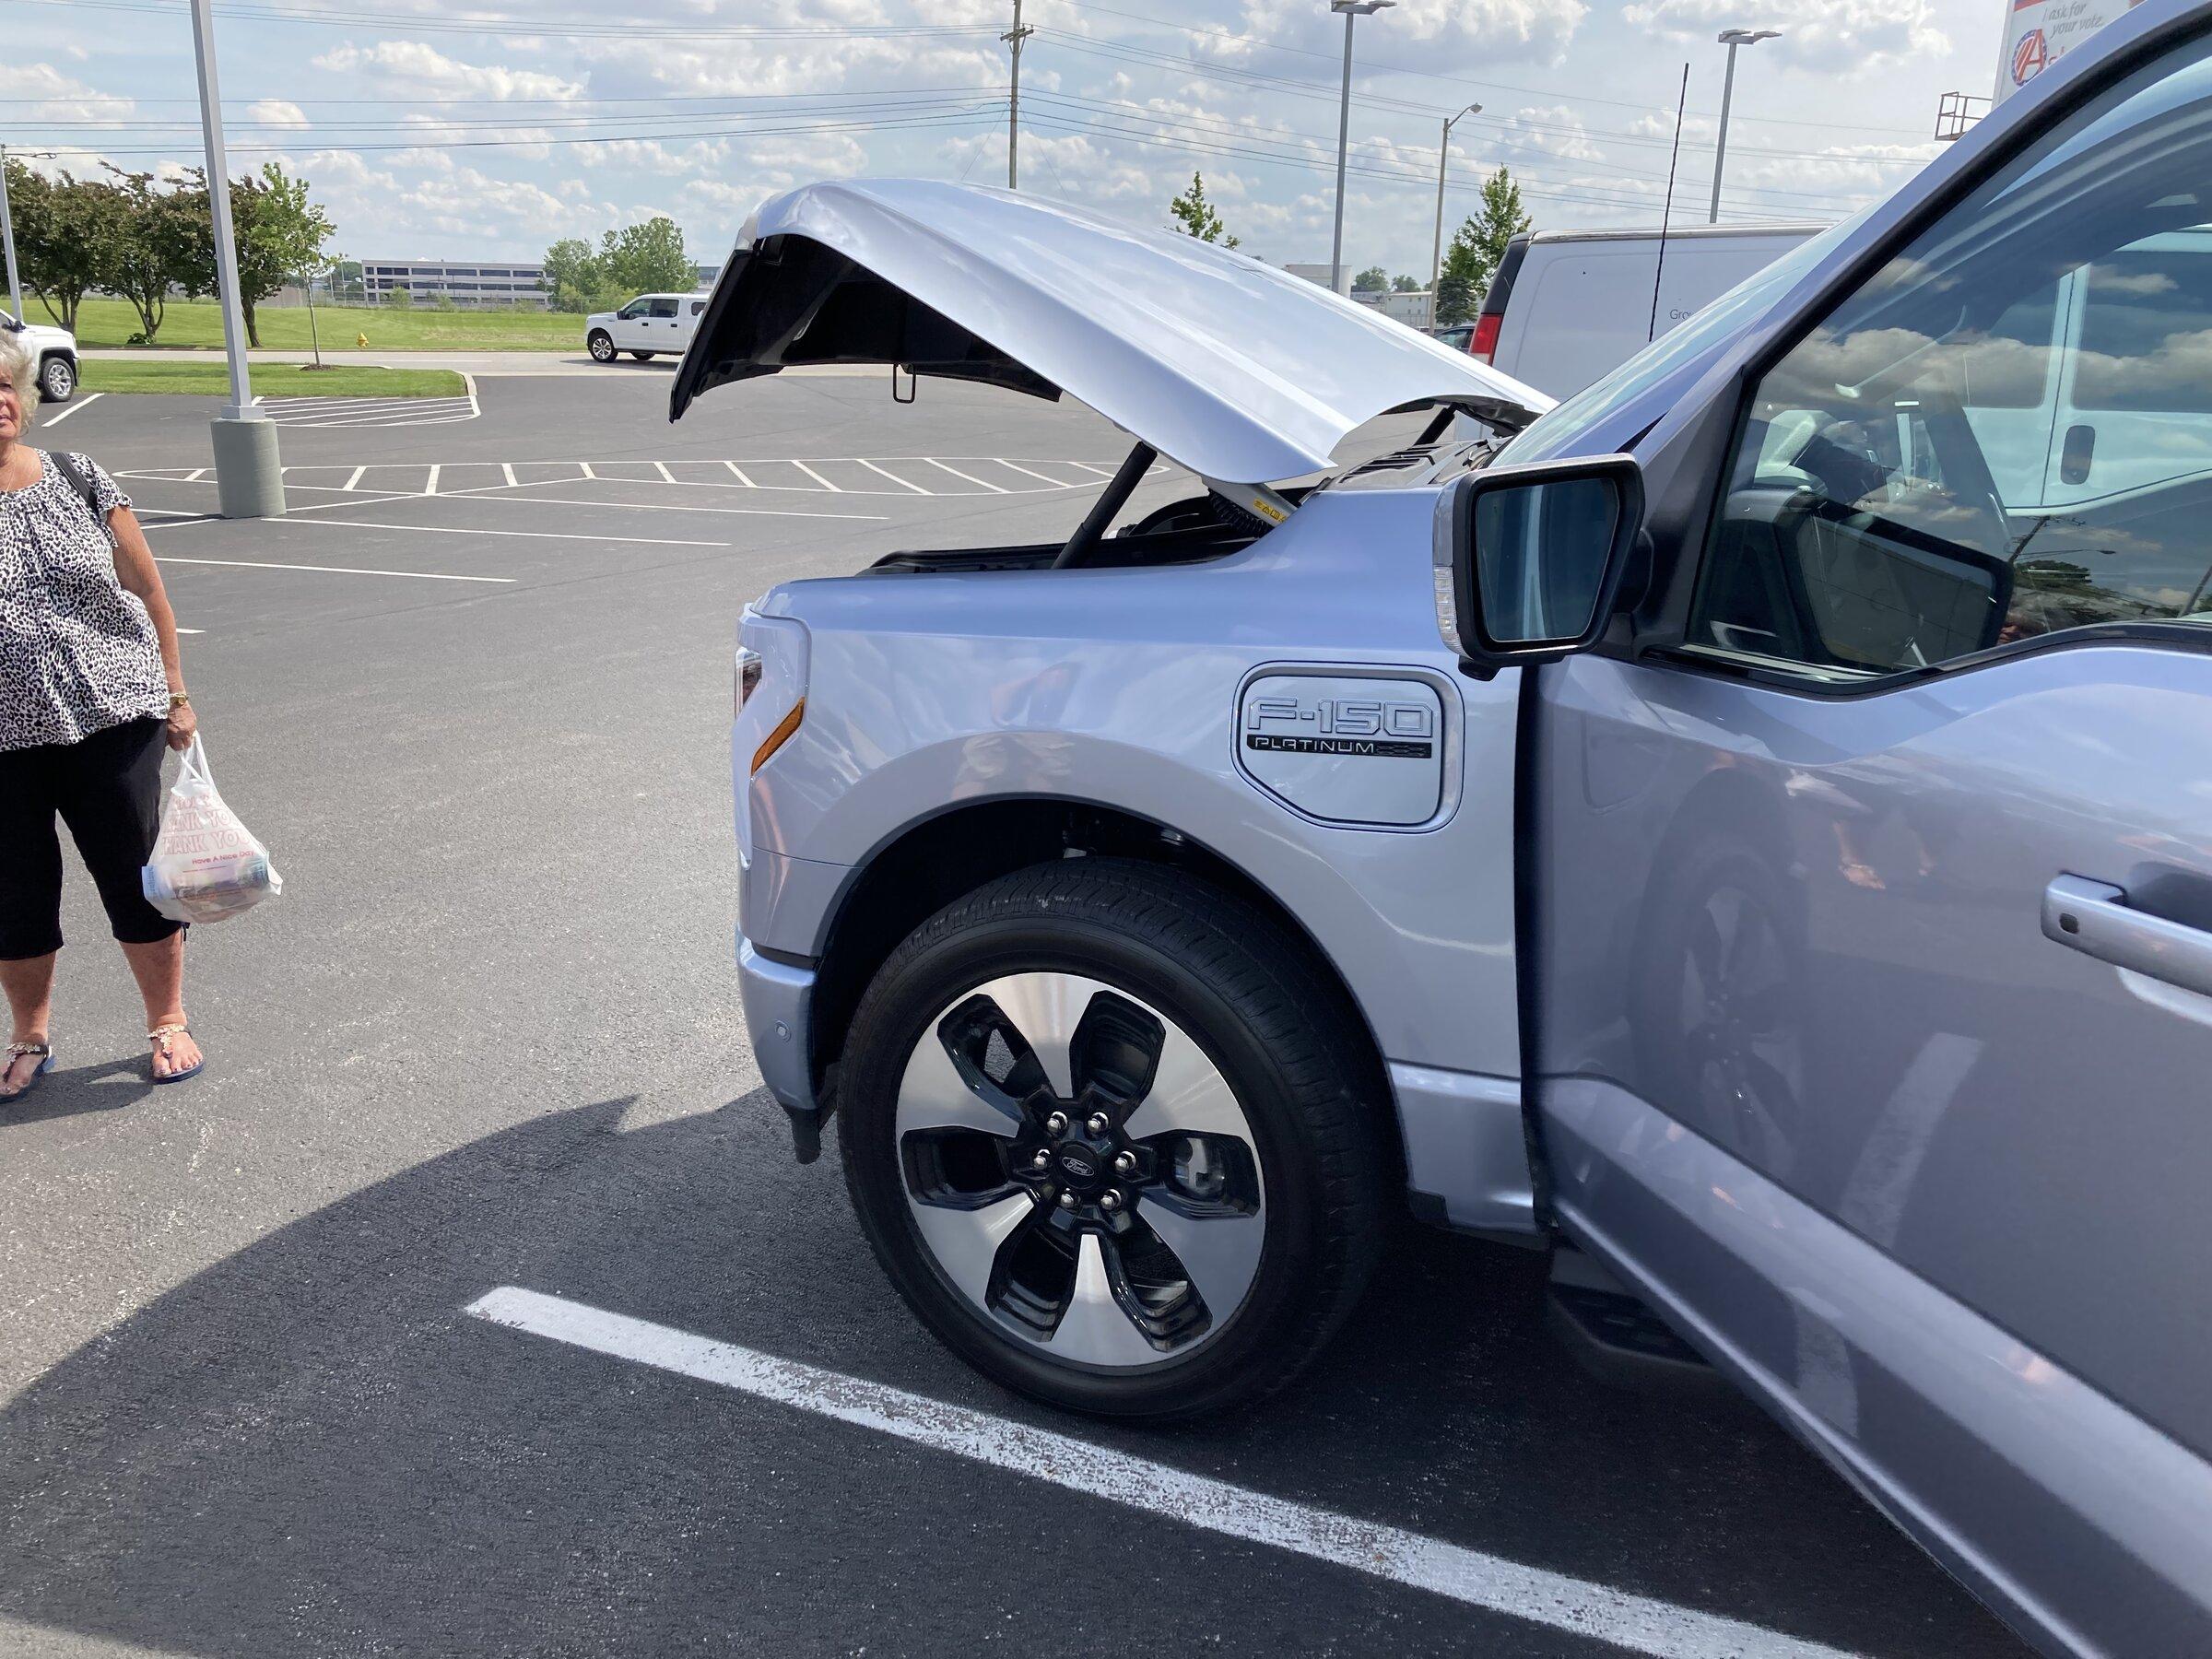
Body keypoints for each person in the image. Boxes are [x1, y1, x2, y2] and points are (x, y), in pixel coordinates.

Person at [0, 329, 205, 1099]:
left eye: (6, 385)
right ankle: (29, 1036)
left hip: (114, 719)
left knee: (134, 877)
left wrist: (176, 691)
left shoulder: (78, 476)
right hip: (2, 741)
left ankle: (168, 1022)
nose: (1, 401)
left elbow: (150, 592)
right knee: (15, 895)